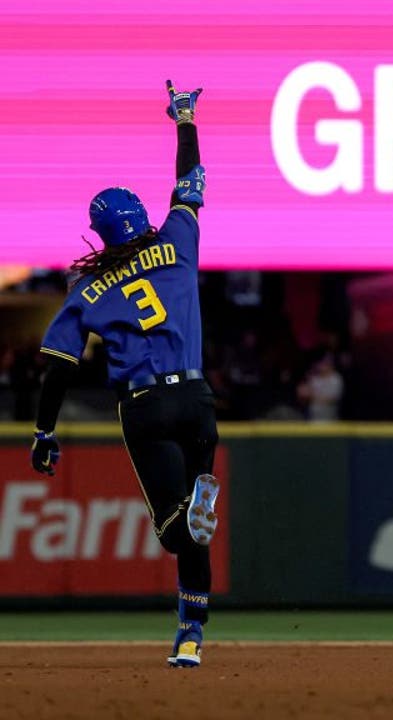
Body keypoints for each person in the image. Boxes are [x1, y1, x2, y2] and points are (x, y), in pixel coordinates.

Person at [29, 82, 218, 668]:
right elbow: (190, 179)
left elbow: (56, 366)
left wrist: (43, 432)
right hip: (197, 399)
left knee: (171, 532)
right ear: (140, 217)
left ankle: (188, 534)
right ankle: (191, 633)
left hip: (147, 409)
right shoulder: (179, 241)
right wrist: (184, 117)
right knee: (198, 532)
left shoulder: (88, 286)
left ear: (100, 234)